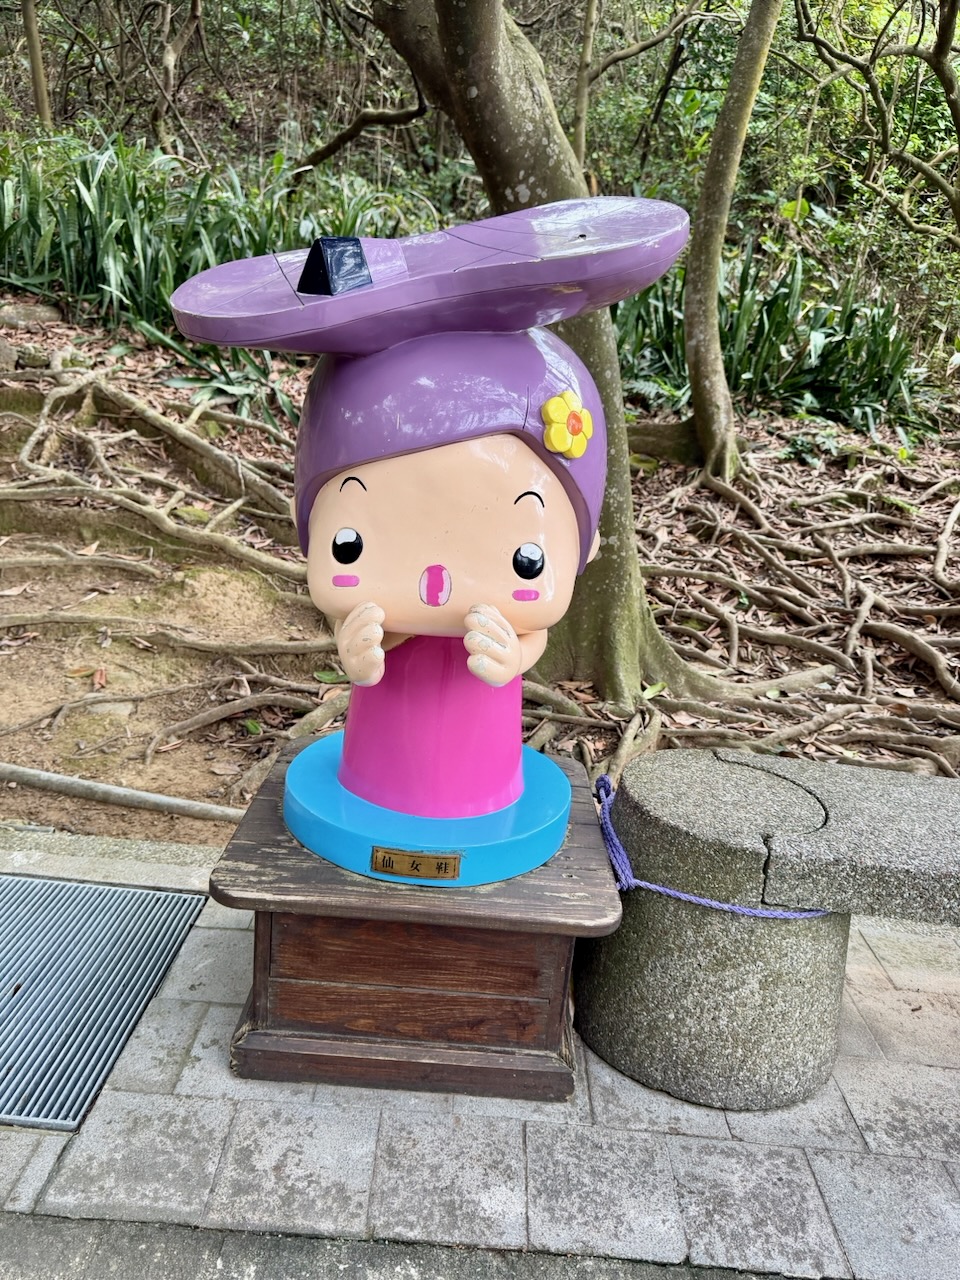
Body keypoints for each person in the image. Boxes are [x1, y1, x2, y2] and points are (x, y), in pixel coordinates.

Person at [294, 326, 606, 819]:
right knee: (378, 767)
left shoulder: (507, 620)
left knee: (475, 769)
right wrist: (357, 651)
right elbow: (351, 629)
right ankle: (377, 783)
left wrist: (513, 657)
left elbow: (533, 637)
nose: (435, 580)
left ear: (585, 549)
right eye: (347, 546)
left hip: (484, 757)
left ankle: (471, 793)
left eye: (527, 558)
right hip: (376, 749)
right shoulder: (375, 607)